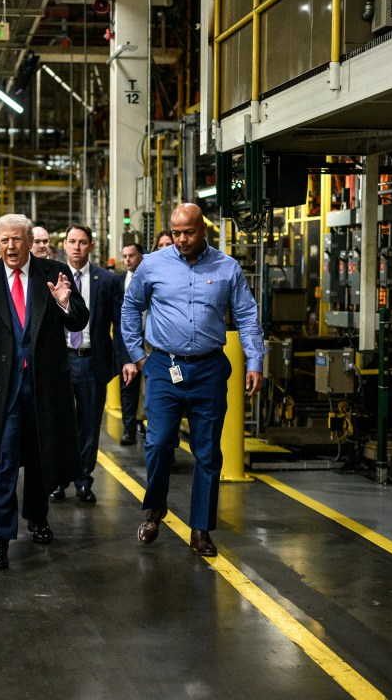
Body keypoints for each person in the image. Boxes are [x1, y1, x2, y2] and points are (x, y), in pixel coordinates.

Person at [120, 203, 264, 557]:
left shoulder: (227, 267)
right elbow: (130, 306)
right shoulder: (152, 264)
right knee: (158, 443)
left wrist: (255, 360)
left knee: (207, 453)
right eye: (176, 232)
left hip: (209, 370)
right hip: (163, 367)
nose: (181, 239)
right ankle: (155, 508)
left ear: (204, 231)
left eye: (189, 233)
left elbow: (246, 315)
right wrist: (138, 354)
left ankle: (200, 529)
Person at [0, 213, 87, 570]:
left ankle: (38, 516)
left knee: (42, 456)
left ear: (30, 241)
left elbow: (79, 320)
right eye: (4, 240)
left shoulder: (53, 273)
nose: (11, 247)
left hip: (44, 385)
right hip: (2, 388)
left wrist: (63, 301)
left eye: (17, 239)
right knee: (2, 462)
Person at [51, 224, 122, 504]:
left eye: (82, 242)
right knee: (60, 424)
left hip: (92, 361)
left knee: (89, 425)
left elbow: (119, 323)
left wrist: (126, 361)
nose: (77, 247)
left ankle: (83, 479)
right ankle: (59, 480)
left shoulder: (107, 280)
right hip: (62, 360)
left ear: (91, 246)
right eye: (71, 241)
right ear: (64, 246)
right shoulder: (51, 278)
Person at [118, 241, 145, 446]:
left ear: (141, 257)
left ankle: (145, 425)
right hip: (128, 340)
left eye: (132, 255)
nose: (127, 259)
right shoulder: (117, 282)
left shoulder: (149, 278)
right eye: (125, 256)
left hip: (150, 339)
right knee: (128, 386)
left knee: (150, 387)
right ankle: (129, 429)